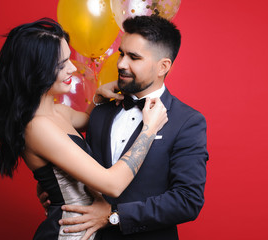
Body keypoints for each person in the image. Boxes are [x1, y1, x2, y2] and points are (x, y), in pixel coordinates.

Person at [0, 18, 168, 240]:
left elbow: (89, 120)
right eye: (62, 64)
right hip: (67, 234)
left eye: (69, 59)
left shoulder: (58, 112)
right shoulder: (37, 127)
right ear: (36, 72)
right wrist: (149, 130)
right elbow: (112, 185)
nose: (73, 68)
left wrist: (98, 95)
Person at [56, 16, 209, 240]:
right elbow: (83, 170)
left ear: (163, 66)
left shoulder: (188, 121)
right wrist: (57, 191)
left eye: (134, 57)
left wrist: (113, 216)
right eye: (121, 53)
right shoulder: (100, 110)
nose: (121, 64)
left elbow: (187, 201)